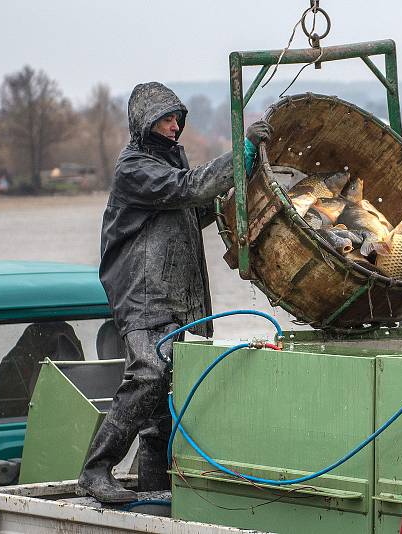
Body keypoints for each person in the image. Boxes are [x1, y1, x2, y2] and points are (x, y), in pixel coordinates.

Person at [76, 81, 271, 503]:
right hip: (145, 298)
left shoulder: (170, 162)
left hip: (179, 299)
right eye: (165, 119)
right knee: (149, 373)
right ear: (144, 123)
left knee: (167, 401)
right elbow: (188, 188)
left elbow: (196, 206)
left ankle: (156, 486)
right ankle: (95, 469)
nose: (174, 127)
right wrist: (243, 153)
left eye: (177, 119)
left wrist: (242, 184)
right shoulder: (134, 169)